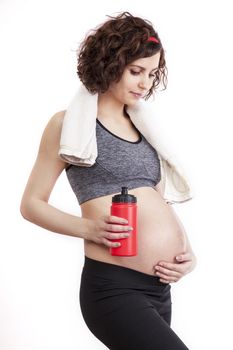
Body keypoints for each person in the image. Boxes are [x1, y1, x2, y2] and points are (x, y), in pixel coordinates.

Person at [20, 11, 197, 350]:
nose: (145, 83)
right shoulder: (69, 125)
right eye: (135, 71)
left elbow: (158, 201)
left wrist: (187, 253)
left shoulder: (144, 131)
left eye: (151, 73)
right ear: (110, 63)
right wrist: (88, 229)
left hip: (159, 289)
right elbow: (31, 205)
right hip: (114, 288)